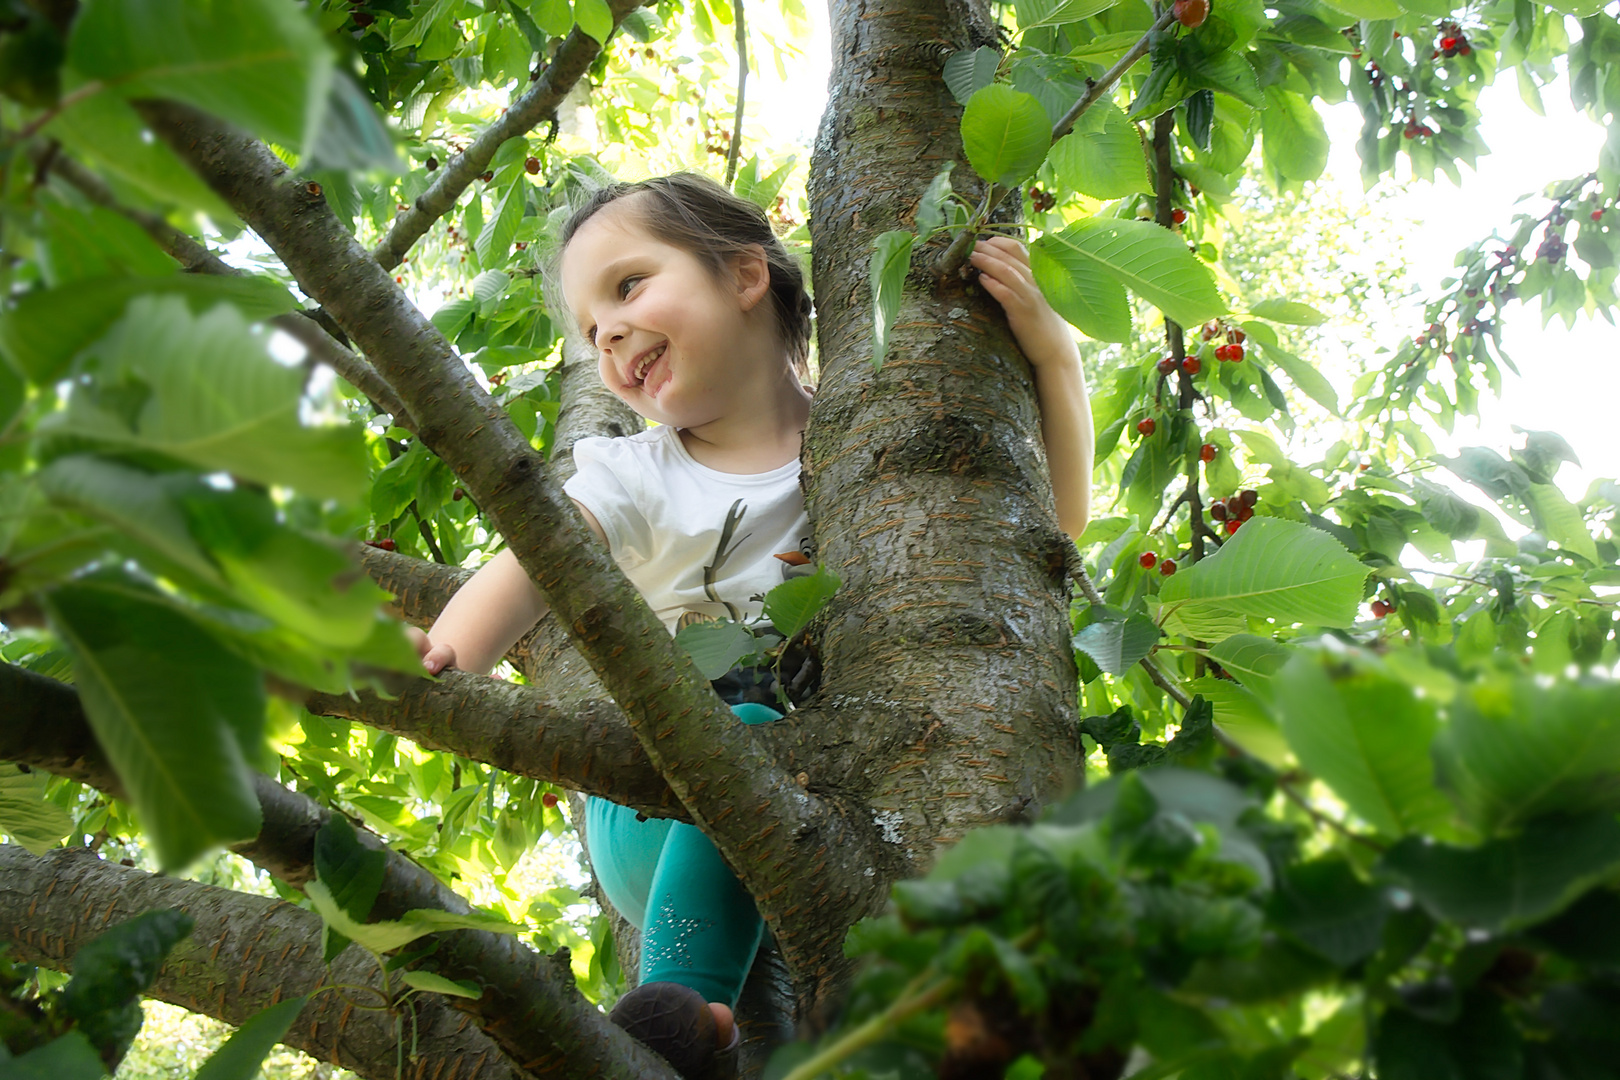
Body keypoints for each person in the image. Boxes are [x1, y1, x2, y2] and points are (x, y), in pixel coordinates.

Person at [411, 173, 1093, 1078]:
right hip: (662, 797)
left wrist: (1056, 358)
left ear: (743, 276)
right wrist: (446, 653)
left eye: (626, 287)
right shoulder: (637, 473)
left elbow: (1053, 521)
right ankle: (667, 1018)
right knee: (751, 735)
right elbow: (533, 562)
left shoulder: (870, 442)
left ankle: (724, 1034)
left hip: (825, 814)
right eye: (587, 330)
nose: (607, 333)